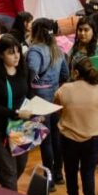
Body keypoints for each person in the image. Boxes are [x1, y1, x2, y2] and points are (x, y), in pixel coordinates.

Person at [54, 57, 98, 195]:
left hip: (68, 137)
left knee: (70, 170)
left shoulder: (64, 89)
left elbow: (58, 109)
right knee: (88, 172)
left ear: (75, 72)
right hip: (93, 138)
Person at [0, 35, 34, 190]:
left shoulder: (23, 71)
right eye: (11, 52)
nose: (16, 56)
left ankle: (3, 189)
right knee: (9, 172)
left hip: (20, 126)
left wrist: (36, 113)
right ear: (0, 54)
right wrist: (15, 113)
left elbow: (28, 95)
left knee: (20, 165)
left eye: (18, 51)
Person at [27, 18, 70, 185]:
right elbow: (65, 74)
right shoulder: (56, 49)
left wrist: (34, 82)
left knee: (44, 139)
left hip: (39, 98)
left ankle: (49, 178)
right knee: (56, 137)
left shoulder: (35, 50)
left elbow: (32, 69)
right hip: (54, 96)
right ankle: (58, 174)